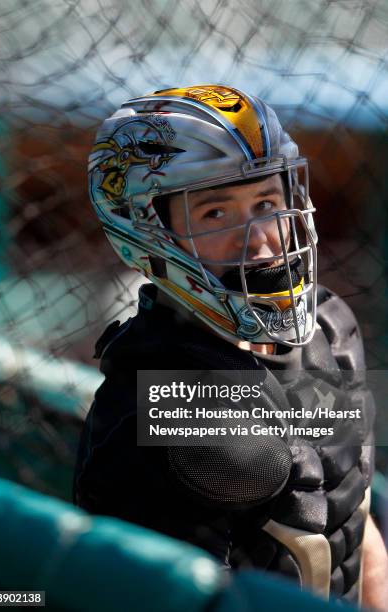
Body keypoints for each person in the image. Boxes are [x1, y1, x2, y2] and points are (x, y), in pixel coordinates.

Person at [74, 85, 388, 608]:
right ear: (148, 231)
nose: (263, 239)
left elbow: (352, 518)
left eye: (267, 201)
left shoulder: (331, 329)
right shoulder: (164, 400)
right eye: (217, 214)